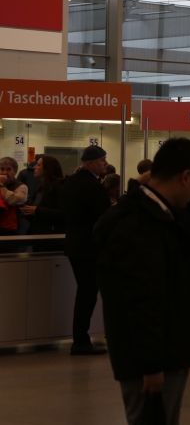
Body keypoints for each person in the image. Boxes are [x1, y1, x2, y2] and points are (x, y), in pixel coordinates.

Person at [94, 138, 190, 425]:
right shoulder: (139, 222)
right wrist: (151, 365)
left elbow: (160, 267)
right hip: (153, 354)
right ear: (185, 176)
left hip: (163, 348)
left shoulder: (156, 213)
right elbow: (142, 298)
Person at [62, 145, 114, 355]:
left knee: (85, 292)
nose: (105, 163)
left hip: (75, 246)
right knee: (88, 294)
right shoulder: (93, 186)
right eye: (102, 160)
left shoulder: (72, 181)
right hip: (90, 249)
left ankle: (80, 339)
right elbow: (103, 217)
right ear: (90, 162)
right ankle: (81, 341)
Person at [19, 155, 66, 235]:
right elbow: (36, 215)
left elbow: (63, 214)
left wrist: (37, 211)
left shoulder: (60, 187)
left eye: (38, 165)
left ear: (47, 169)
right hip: (37, 232)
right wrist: (27, 211)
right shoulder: (41, 187)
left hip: (52, 235)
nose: (34, 167)